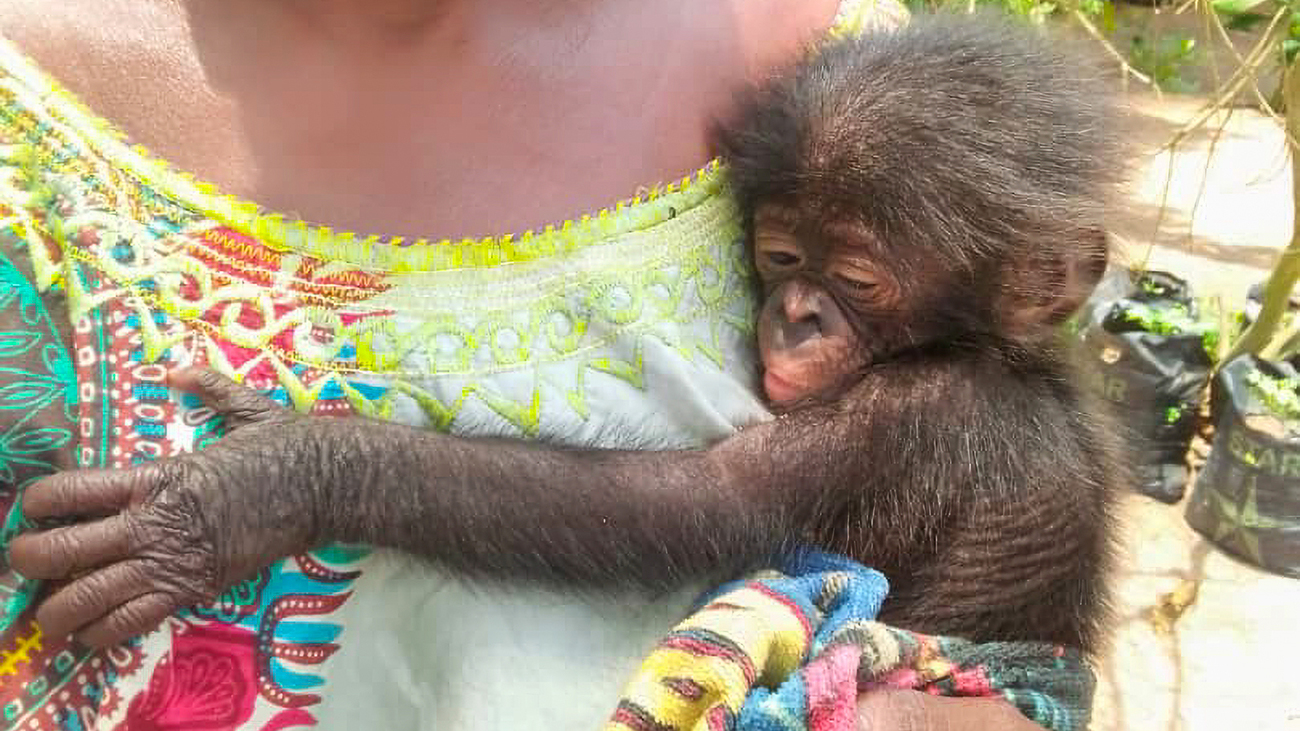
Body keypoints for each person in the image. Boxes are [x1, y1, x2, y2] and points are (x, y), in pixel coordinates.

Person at [0, 1, 1053, 729]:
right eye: (776, 264)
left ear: (1036, 291)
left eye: (851, 291)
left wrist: (327, 473)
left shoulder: (863, 91)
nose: (793, 316)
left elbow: (700, 506)